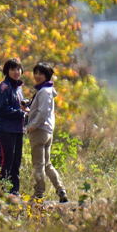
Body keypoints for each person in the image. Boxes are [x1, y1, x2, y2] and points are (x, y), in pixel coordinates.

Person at [25, 62, 68, 203]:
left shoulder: (43, 91)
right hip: (48, 131)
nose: (37, 76)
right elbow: (41, 111)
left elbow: (42, 112)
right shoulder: (48, 90)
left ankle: (38, 194)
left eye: (40, 73)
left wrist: (32, 125)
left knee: (38, 165)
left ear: (47, 75)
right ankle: (61, 189)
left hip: (39, 131)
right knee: (47, 164)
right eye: (35, 73)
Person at [0, 58, 27, 195]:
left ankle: (14, 191)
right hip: (5, 130)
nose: (16, 72)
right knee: (5, 161)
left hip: (18, 130)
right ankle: (1, 191)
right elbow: (2, 109)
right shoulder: (4, 88)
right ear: (7, 71)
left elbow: (19, 108)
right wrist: (20, 113)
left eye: (18, 69)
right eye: (13, 69)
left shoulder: (18, 89)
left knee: (16, 162)